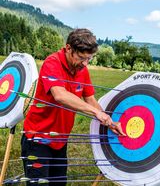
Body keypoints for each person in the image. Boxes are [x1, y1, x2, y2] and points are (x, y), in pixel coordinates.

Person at [21, 28, 125, 186]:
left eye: (89, 59)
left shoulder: (82, 69)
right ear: (68, 48)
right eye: (82, 58)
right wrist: (97, 113)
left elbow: (90, 99)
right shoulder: (52, 62)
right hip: (37, 140)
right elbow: (60, 95)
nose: (85, 63)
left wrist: (110, 122)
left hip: (60, 140)